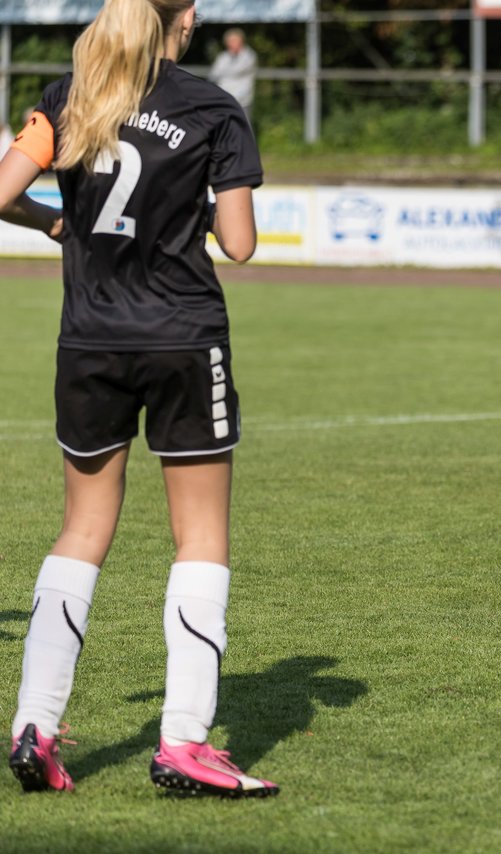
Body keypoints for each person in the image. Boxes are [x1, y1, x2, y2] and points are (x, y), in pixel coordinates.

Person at [0, 0, 277, 796]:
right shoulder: (212, 108)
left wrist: (56, 221)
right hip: (183, 336)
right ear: (182, 19)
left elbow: (3, 192)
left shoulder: (68, 95)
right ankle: (185, 743)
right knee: (200, 536)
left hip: (88, 339)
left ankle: (35, 726)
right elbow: (243, 244)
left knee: (81, 530)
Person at [209, 26, 256, 120]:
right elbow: (213, 75)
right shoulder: (223, 57)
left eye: (234, 41)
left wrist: (224, 71)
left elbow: (237, 70)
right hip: (224, 100)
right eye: (230, 41)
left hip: (242, 101)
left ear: (241, 41)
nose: (232, 44)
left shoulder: (249, 56)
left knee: (242, 129)